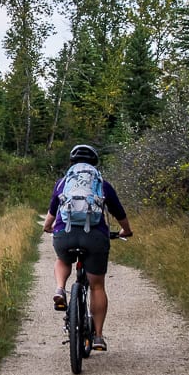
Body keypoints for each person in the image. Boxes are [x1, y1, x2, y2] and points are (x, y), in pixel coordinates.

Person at [42, 144, 132, 351]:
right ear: (94, 164)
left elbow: (51, 214)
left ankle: (59, 289)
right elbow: (119, 212)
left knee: (63, 259)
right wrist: (126, 231)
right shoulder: (102, 184)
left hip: (65, 234)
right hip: (95, 236)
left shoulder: (63, 183)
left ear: (72, 163)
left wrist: (48, 228)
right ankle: (98, 336)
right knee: (97, 286)